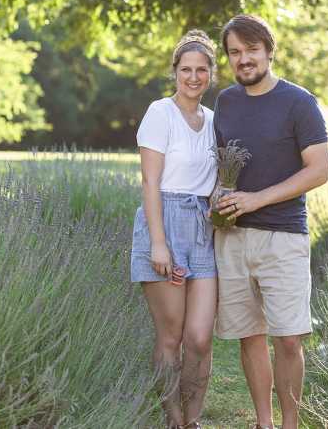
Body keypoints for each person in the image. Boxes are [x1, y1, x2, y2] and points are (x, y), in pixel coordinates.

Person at [213, 15, 328, 429]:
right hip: (233, 238)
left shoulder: (299, 102)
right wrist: (219, 197)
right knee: (249, 335)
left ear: (268, 49)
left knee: (288, 337)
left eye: (251, 49)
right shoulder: (225, 102)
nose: (243, 59)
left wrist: (257, 199)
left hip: (283, 236)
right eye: (234, 52)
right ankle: (264, 422)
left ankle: (290, 423)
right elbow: (221, 164)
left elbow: (318, 170)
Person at [131, 30, 218, 429]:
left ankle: (194, 420)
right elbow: (150, 182)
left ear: (212, 75)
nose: (194, 77)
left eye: (202, 70)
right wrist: (158, 244)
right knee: (171, 338)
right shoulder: (159, 113)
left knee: (199, 338)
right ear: (175, 72)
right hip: (163, 222)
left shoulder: (216, 122)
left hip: (203, 231)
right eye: (187, 69)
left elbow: (217, 180)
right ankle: (173, 419)